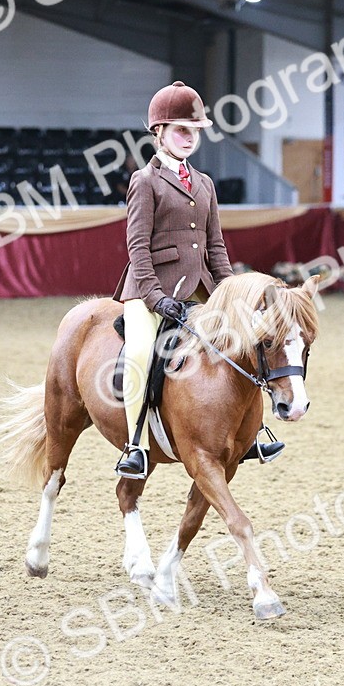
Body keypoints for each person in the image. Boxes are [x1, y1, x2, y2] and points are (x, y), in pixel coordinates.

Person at [110, 81, 281, 478]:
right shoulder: (144, 181)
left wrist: (234, 295)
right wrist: (153, 297)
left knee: (244, 341)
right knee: (139, 352)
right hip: (148, 291)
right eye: (181, 130)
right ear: (160, 132)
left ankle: (253, 432)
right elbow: (137, 247)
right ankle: (135, 444)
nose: (189, 138)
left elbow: (216, 247)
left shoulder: (204, 183)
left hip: (201, 289)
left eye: (195, 131)